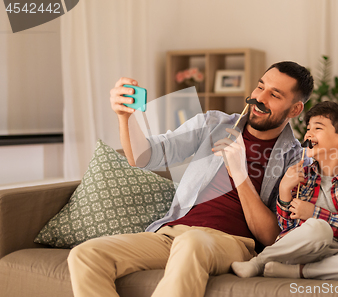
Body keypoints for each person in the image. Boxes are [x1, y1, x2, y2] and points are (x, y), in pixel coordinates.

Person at [66, 61, 314, 297]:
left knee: (193, 242)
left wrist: (239, 173)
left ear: (295, 109)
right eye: (260, 86)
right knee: (86, 255)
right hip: (173, 233)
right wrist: (125, 116)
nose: (260, 98)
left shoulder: (297, 161)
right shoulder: (212, 124)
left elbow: (271, 236)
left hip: (232, 243)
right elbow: (143, 157)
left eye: (275, 95)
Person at [231, 101, 338, 280]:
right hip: (304, 247)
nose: (308, 133)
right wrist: (284, 190)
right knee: (318, 229)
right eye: (308, 128)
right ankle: (259, 262)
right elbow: (286, 230)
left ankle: (297, 272)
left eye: (318, 128)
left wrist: (314, 213)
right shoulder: (302, 176)